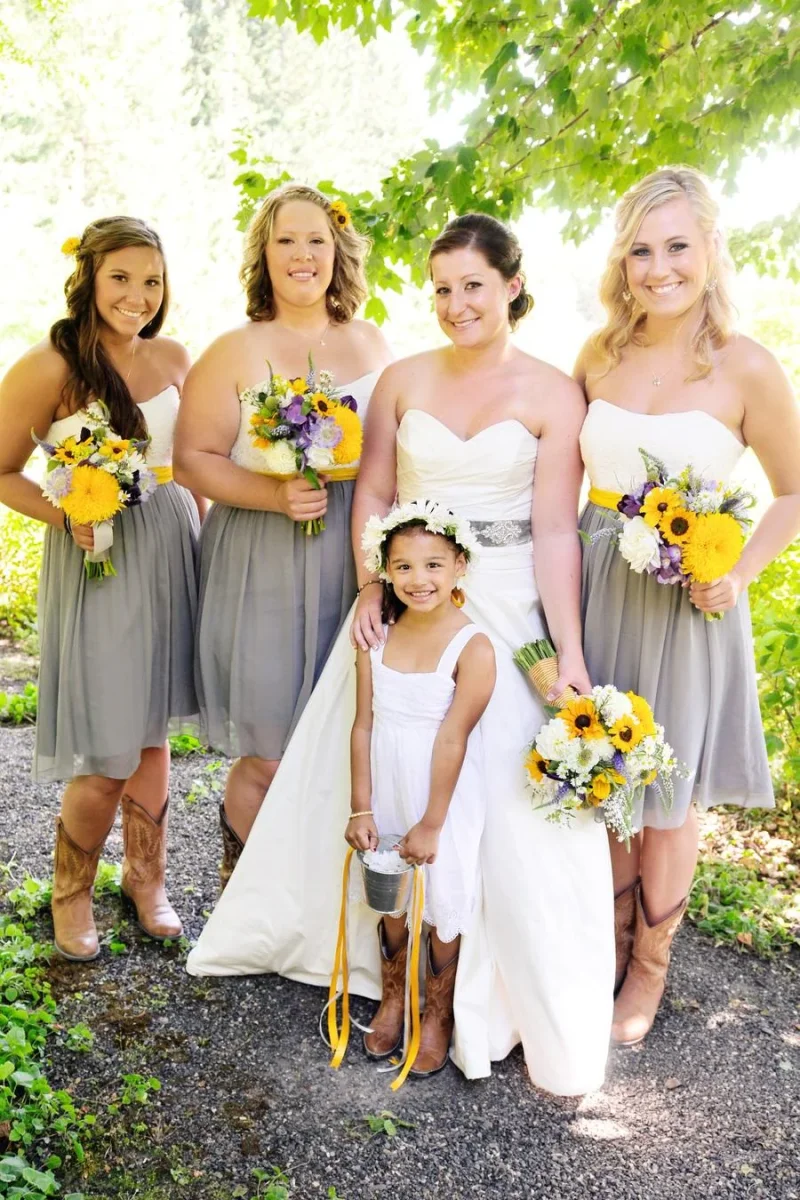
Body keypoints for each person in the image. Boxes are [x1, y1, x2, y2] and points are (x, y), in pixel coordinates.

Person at [188, 212, 614, 1097]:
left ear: (512, 286)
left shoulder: (552, 393)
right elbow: (375, 491)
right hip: (409, 593)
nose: (456, 305)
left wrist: (566, 650)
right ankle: (392, 983)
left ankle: (459, 1000)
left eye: (474, 286)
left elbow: (554, 532)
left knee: (493, 800)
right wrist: (371, 588)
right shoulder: (402, 379)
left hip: (504, 605)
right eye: (443, 289)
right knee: (382, 779)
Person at [576, 165, 800, 1046]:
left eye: (677, 246)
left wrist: (737, 572)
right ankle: (604, 939)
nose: (659, 268)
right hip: (599, 586)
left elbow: (792, 492)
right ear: (621, 262)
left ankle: (648, 968)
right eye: (641, 250)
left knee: (667, 795)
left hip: (689, 603)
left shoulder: (746, 366)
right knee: (601, 771)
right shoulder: (598, 355)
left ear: (710, 250)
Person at [174, 184, 391, 884]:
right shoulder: (234, 350)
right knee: (269, 749)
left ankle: (317, 902)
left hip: (352, 554)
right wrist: (274, 492)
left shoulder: (370, 341)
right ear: (263, 256)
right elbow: (192, 460)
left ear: (338, 252)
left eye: (316, 240)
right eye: (286, 241)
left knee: (341, 740)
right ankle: (245, 895)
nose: (303, 255)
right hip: (262, 557)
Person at [0, 217, 202, 960]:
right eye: (121, 277)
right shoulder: (47, 367)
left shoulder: (175, 356)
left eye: (152, 281)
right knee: (109, 746)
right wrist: (69, 515)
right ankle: (71, 891)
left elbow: (192, 464)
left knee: (150, 734)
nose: (137, 296)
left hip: (171, 543)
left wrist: (205, 553)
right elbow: (2, 471)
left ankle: (146, 880)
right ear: (88, 277)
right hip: (99, 558)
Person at [347, 502, 495, 1077]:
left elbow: (454, 738)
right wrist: (361, 806)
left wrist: (433, 822)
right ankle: (394, 999)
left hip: (443, 795)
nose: (418, 579)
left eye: (434, 564)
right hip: (387, 781)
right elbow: (363, 725)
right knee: (390, 891)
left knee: (443, 897)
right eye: (403, 566)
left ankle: (437, 1014)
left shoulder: (473, 647)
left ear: (460, 565)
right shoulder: (376, 637)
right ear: (385, 570)